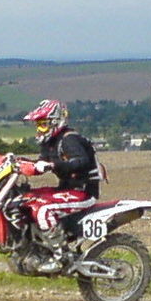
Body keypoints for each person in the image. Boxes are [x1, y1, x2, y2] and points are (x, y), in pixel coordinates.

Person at [14, 99, 101, 262]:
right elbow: (41, 163)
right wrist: (19, 163)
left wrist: (54, 165)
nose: (39, 129)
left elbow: (81, 161)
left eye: (43, 124)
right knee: (27, 199)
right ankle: (36, 247)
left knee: (43, 210)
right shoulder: (50, 143)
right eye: (38, 125)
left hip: (83, 192)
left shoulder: (69, 139)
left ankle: (61, 255)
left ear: (55, 122)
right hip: (66, 189)